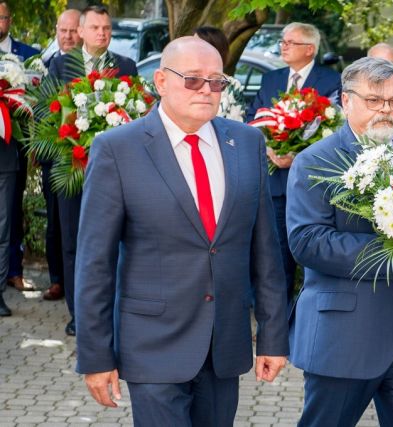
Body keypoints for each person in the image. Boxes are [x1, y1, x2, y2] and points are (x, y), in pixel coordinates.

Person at [74, 36, 289, 427]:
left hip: (224, 344)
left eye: (217, 81)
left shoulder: (246, 142)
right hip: (152, 344)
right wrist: (96, 356)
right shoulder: (117, 149)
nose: (207, 90)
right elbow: (94, 264)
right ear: (160, 81)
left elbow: (265, 250)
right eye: (192, 79)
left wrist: (273, 336)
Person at [287, 57, 393, 427]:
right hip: (347, 337)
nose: (386, 109)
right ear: (346, 101)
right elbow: (308, 241)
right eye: (375, 100)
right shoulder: (315, 160)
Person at [48, 5, 138, 335]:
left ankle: (112, 310)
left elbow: (136, 113)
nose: (103, 32)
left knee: (113, 241)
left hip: (114, 172)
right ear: (82, 31)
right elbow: (50, 112)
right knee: (73, 242)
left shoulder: (125, 66)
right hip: (71, 167)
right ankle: (79, 314)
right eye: (96, 27)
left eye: (107, 28)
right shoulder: (60, 65)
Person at [247, 22, 341, 304]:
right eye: (283, 41)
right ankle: (279, 324)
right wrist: (269, 150)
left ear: (310, 50)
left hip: (315, 183)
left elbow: (336, 127)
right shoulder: (271, 79)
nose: (283, 46)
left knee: (314, 256)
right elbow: (253, 119)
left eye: (291, 42)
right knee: (277, 256)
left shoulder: (331, 81)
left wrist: (300, 156)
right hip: (276, 181)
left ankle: (309, 318)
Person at [40, 9, 82, 302]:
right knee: (57, 223)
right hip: (57, 156)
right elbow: (43, 109)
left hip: (85, 157)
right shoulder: (50, 63)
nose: (67, 37)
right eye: (63, 31)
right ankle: (58, 280)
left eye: (72, 31)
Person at [1, 0, 40, 295]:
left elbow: (38, 102)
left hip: (14, 148)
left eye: (1, 18)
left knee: (12, 210)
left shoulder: (28, 56)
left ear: (10, 20)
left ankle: (13, 270)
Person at [194, 26, 245, 121]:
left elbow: (237, 127)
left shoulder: (232, 85)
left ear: (215, 49)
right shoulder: (181, 78)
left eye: (197, 45)